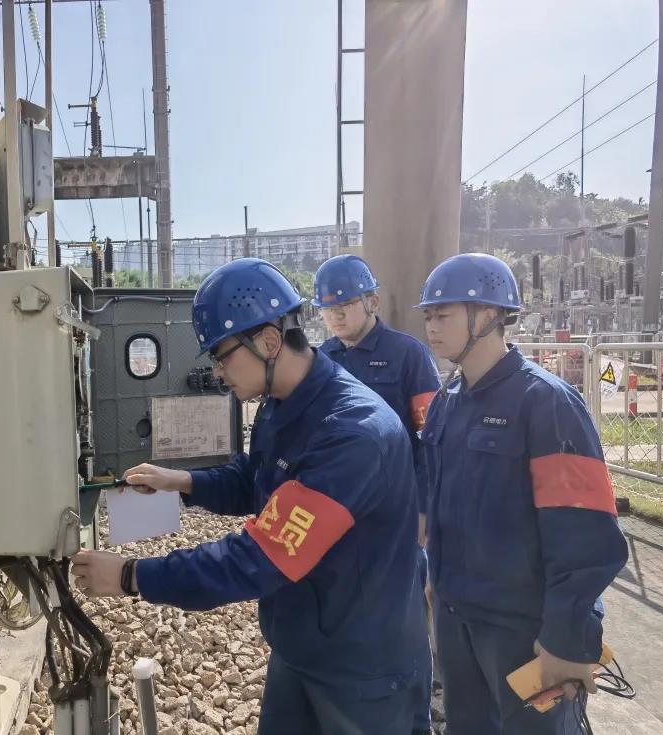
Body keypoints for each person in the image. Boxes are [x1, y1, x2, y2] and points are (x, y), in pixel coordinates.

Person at [73, 257, 427, 734]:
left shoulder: (353, 433)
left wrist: (131, 576)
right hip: (301, 643)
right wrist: (181, 482)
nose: (218, 372)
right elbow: (257, 478)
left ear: (269, 341)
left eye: (222, 356)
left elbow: (258, 558)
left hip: (363, 669)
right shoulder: (281, 403)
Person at [416, 253, 628, 734]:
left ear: (488, 316)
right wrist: (436, 578)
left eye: (443, 314)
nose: (431, 326)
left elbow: (584, 531)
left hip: (522, 628)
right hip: (457, 617)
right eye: (428, 315)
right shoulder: (448, 403)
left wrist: (566, 636)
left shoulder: (546, 402)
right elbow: (442, 504)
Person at [313, 254, 440, 734]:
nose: (336, 315)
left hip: (398, 512)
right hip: (341, 512)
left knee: (405, 616)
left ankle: (416, 713)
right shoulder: (322, 359)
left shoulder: (408, 356)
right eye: (328, 308)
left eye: (345, 304)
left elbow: (430, 439)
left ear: (372, 301)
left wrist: (424, 508)